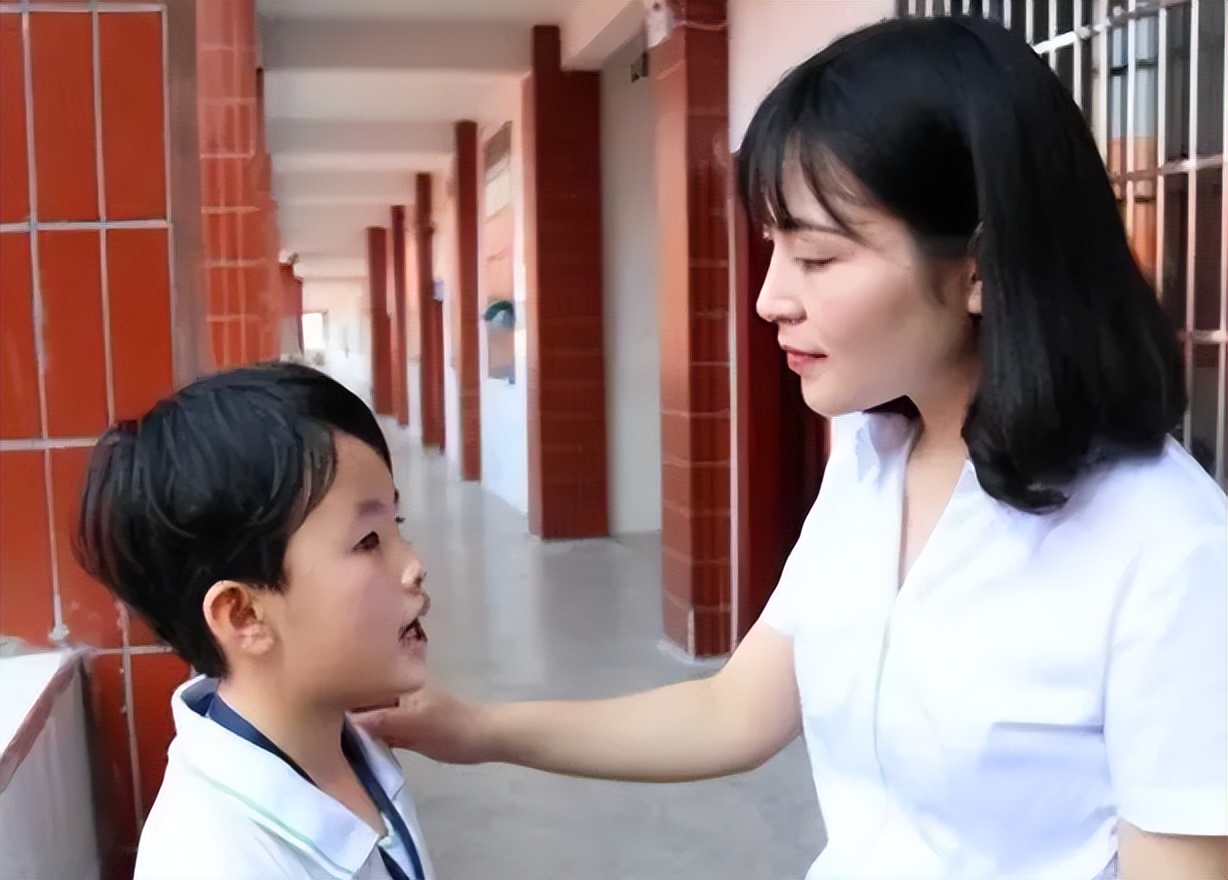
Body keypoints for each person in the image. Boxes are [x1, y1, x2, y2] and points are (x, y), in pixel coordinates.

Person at [356, 15, 1227, 880]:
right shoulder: (872, 459)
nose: (771, 297)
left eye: (816, 256)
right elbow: (736, 710)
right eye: (773, 246)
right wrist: (477, 731)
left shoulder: (1168, 546)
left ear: (979, 268)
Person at [76, 363, 435, 880]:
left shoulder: (341, 743)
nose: (414, 566)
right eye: (368, 542)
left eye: (395, 526)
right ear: (244, 615)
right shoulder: (210, 859)